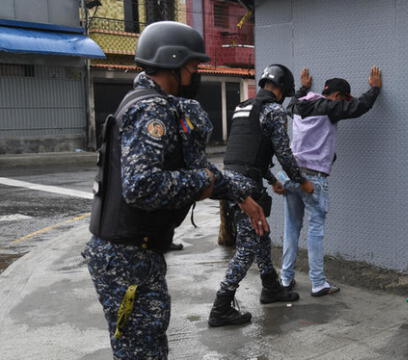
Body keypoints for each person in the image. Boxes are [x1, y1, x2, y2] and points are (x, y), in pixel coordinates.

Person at [82, 21, 268, 359]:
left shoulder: (150, 102)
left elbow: (200, 170)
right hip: (127, 258)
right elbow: (141, 186)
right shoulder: (153, 109)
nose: (196, 74)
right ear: (173, 62)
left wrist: (241, 195)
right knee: (142, 350)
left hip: (130, 254)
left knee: (142, 345)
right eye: (193, 67)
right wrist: (200, 184)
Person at [208, 64, 315, 327]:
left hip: (232, 180)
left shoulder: (244, 106)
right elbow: (283, 152)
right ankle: (221, 306)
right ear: (280, 89)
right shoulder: (273, 110)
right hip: (245, 186)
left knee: (262, 235)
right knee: (246, 248)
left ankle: (270, 287)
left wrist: (272, 180)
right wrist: (300, 181)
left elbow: (252, 154)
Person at [279, 66, 382, 296]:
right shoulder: (330, 108)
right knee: (315, 230)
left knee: (291, 229)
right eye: (343, 99)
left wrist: (304, 86)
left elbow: (292, 101)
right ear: (337, 97)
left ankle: (285, 279)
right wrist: (374, 89)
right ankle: (318, 283)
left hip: (291, 174)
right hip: (314, 178)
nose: (344, 103)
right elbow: (359, 107)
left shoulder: (297, 105)